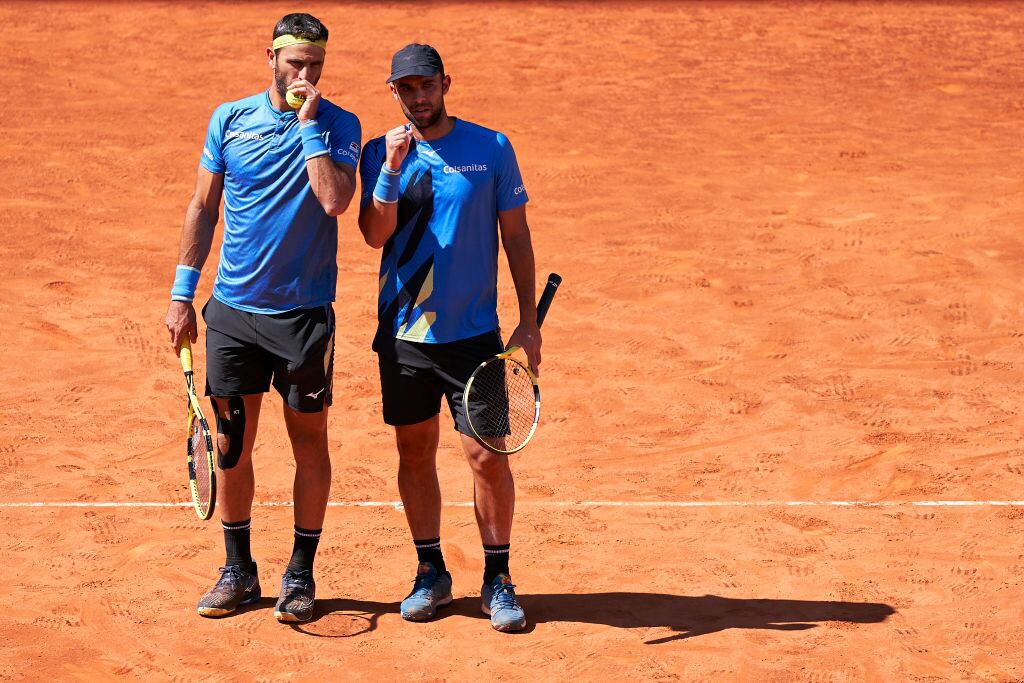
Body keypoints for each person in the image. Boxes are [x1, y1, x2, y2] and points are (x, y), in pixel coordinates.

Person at [164, 12, 360, 623]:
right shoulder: (229, 119)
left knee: (309, 442)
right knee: (230, 446)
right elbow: (203, 205)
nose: (306, 74)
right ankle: (238, 570)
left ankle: (299, 574)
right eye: (296, 62)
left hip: (302, 320)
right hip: (231, 315)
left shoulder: (339, 124)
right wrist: (181, 292)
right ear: (270, 57)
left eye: (316, 65)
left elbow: (333, 201)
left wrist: (308, 129)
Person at [358, 44, 540, 632]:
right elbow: (372, 233)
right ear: (394, 92)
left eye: (427, 85)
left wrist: (529, 321)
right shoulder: (379, 154)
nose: (418, 97)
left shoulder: (491, 148)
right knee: (414, 451)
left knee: (487, 457)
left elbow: (515, 234)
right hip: (404, 335)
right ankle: (430, 570)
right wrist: (389, 168)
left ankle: (498, 577)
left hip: (474, 338)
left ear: (445, 84)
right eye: (406, 88)